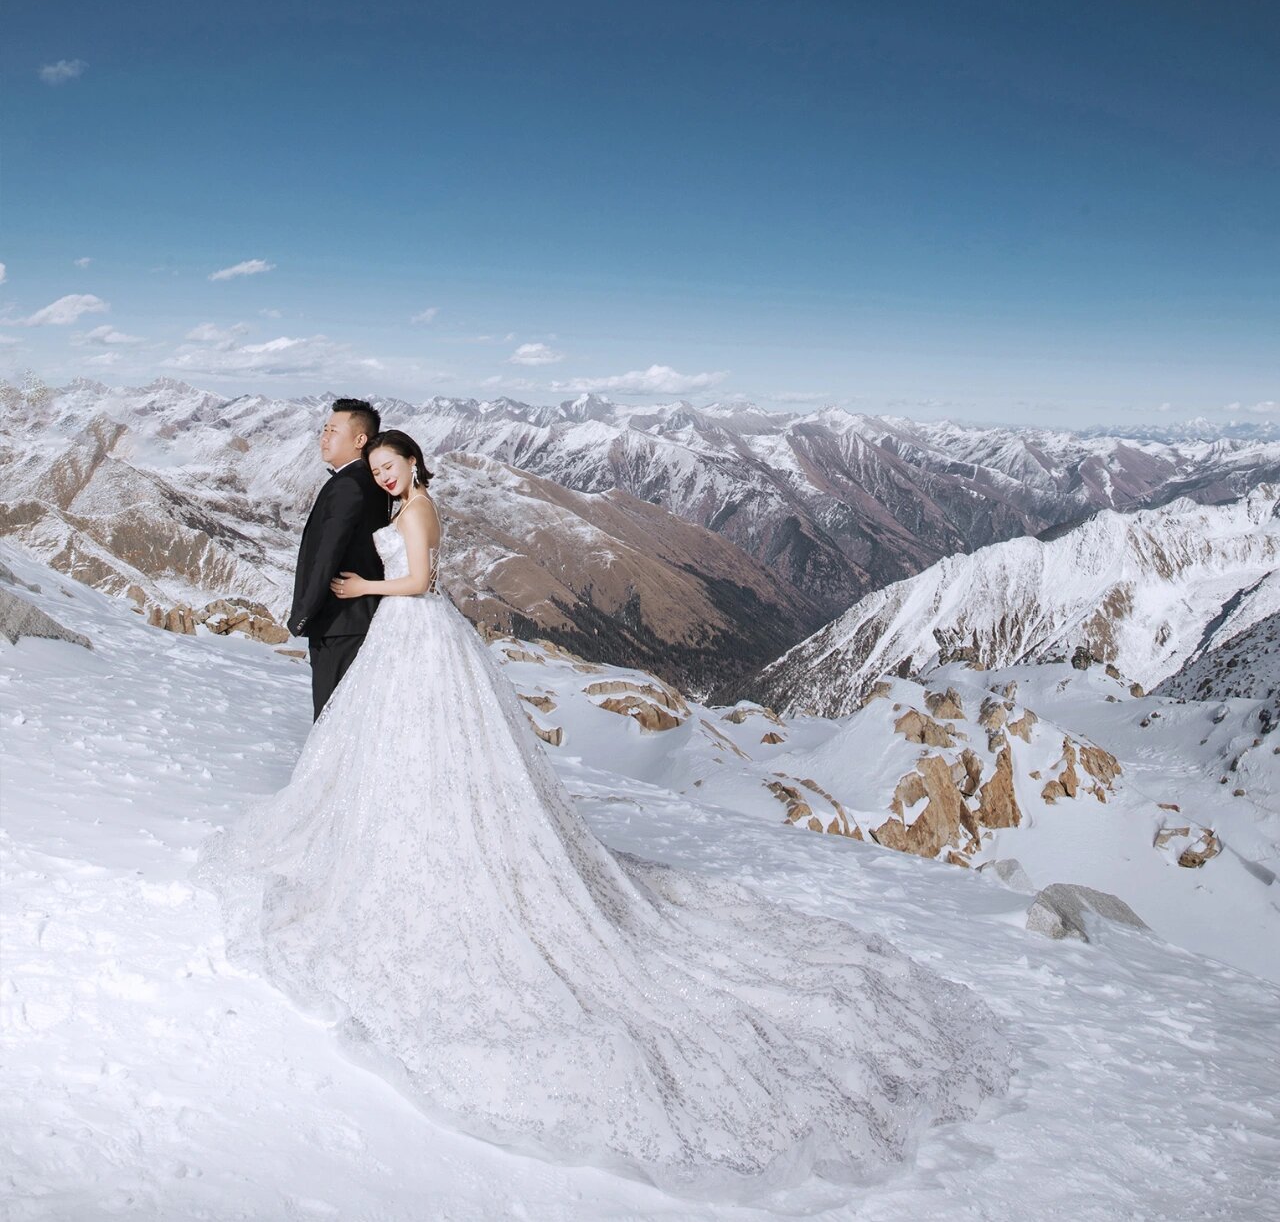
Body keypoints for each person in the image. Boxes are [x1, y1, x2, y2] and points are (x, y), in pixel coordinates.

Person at [197, 428, 1008, 1198]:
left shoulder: (419, 509)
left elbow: (418, 581)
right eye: (373, 466)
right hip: (407, 645)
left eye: (391, 462)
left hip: (416, 629)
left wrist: (364, 586)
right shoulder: (396, 504)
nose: (383, 475)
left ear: (413, 462)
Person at [287, 398, 391, 720]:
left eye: (334, 430)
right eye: (324, 429)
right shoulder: (366, 481)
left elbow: (327, 554)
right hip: (353, 621)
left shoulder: (349, 485)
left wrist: (303, 614)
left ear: (360, 440)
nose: (324, 437)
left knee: (331, 720)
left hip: (339, 621)